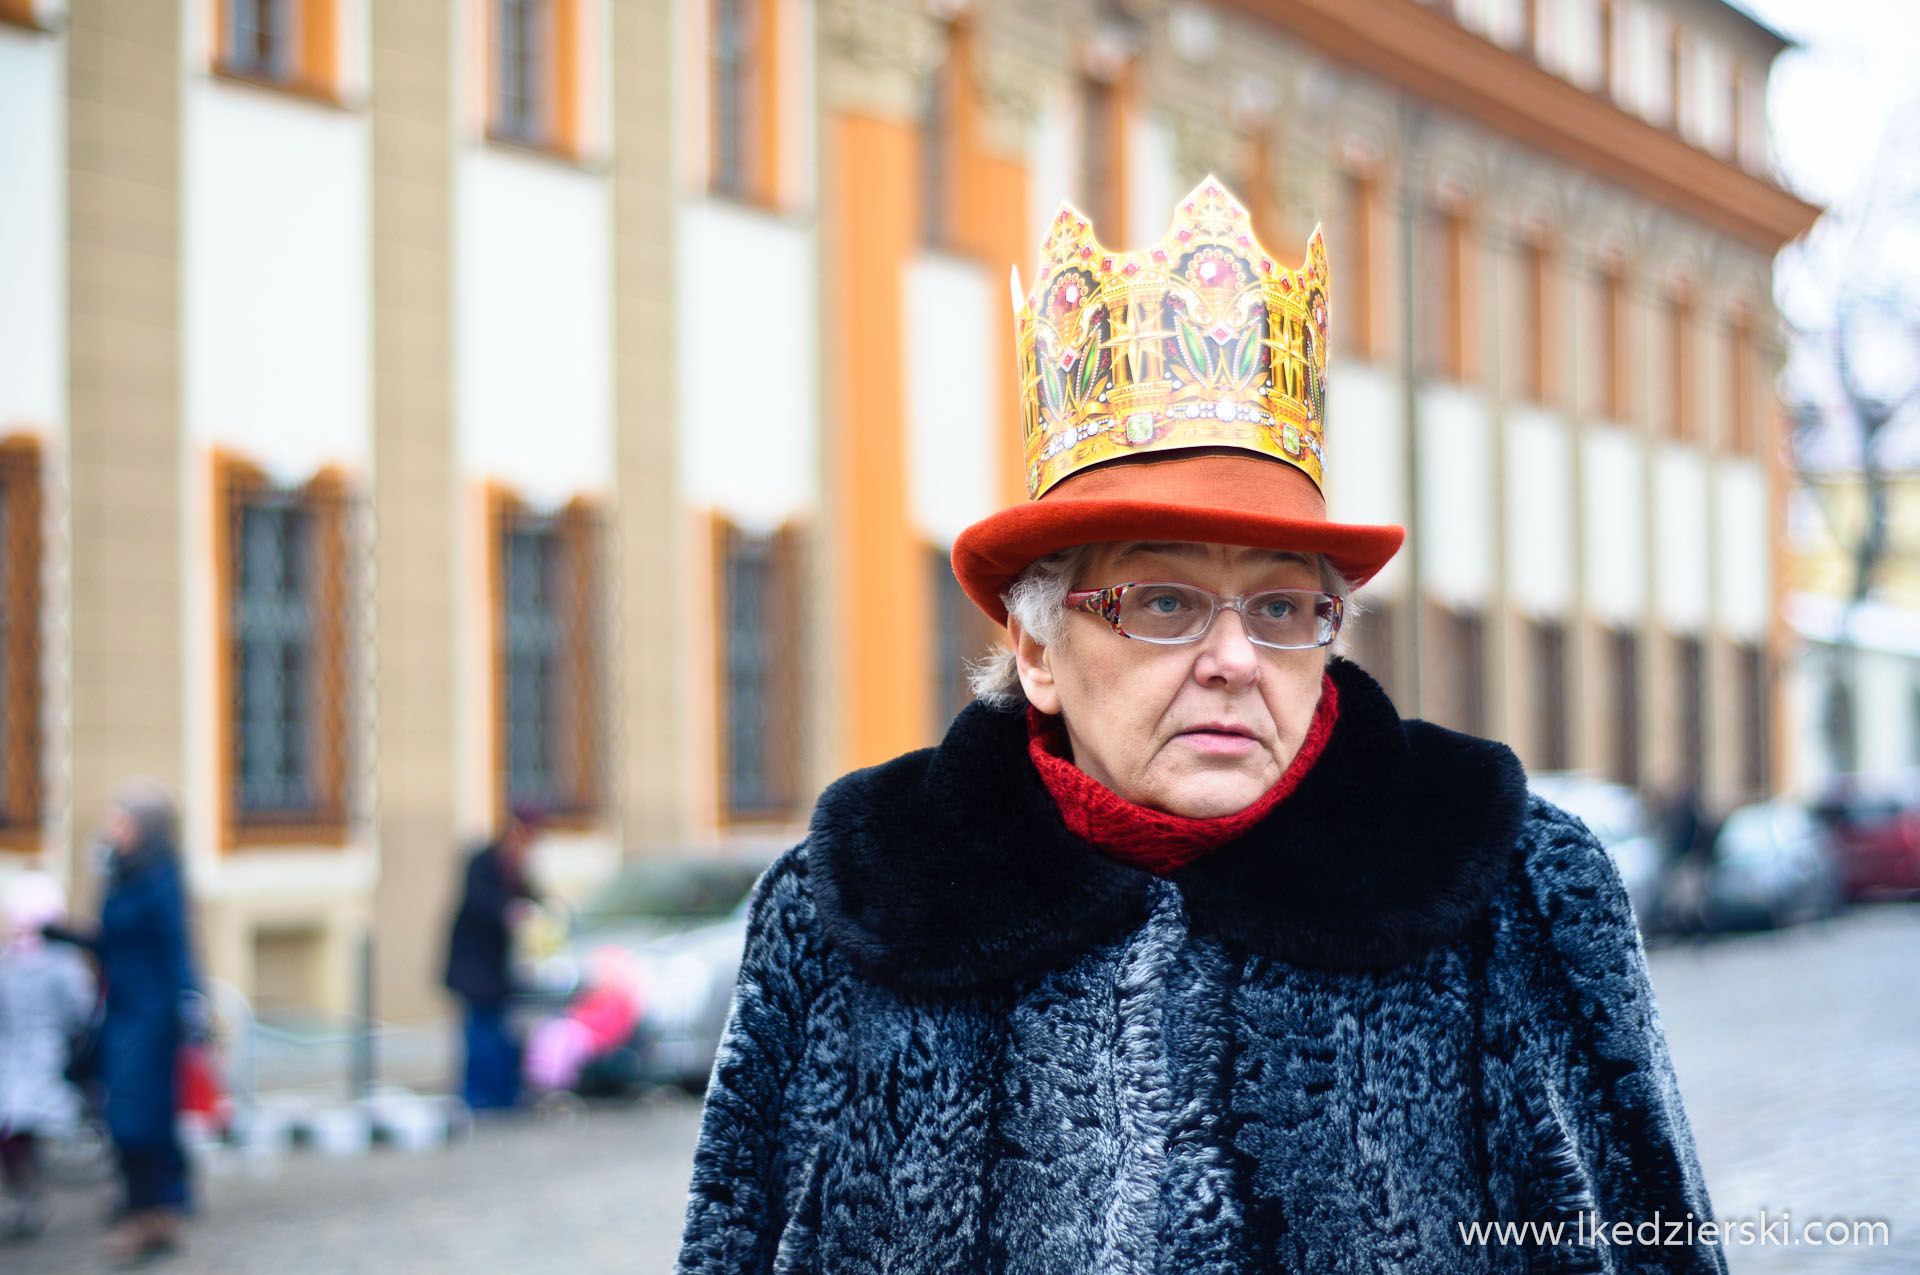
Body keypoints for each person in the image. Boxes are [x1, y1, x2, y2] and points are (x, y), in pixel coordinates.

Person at [676, 178, 1727, 1271]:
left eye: (1280, 608)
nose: (1233, 661)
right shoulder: (847, 913)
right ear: (1037, 651)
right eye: (1162, 603)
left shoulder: (1513, 895)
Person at [47, 779, 199, 1263]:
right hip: (121, 1010)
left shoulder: (160, 877)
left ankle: (148, 1212)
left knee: (138, 1116)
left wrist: (190, 1003)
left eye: (121, 820)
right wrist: (60, 936)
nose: (112, 829)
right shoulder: (122, 873)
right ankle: (156, 1210)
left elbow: (176, 946)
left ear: (145, 828)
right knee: (131, 1112)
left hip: (151, 1013)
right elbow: (113, 942)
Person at [0, 872, 95, 1241]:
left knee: (20, 1123)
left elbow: (80, 1014)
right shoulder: (11, 962)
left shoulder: (62, 963)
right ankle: (26, 1194)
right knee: (13, 1128)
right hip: (16, 1059)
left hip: (48, 1059)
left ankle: (29, 1196)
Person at [443, 805, 541, 1111]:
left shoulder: (517, 867)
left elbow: (535, 898)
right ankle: (478, 1097)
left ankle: (503, 1096)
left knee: (502, 1034)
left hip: (499, 971)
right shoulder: (484, 861)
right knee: (480, 1033)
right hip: (474, 967)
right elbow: (479, 903)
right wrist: (508, 913)